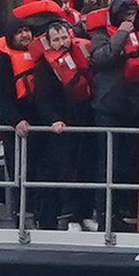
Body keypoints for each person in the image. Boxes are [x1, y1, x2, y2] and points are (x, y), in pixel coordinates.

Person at [89, 0, 139, 229]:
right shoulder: (100, 35)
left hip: (135, 107)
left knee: (129, 163)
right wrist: (122, 32)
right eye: (126, 15)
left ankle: (126, 210)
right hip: (109, 107)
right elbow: (101, 58)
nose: (130, 19)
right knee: (108, 164)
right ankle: (105, 215)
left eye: (133, 15)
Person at [32, 20, 96, 230]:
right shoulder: (44, 66)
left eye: (64, 37)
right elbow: (43, 98)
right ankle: (69, 216)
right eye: (56, 39)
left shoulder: (81, 56)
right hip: (61, 125)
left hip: (84, 119)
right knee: (66, 171)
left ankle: (84, 213)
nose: (62, 42)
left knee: (87, 168)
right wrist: (53, 119)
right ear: (49, 43)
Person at [0, 15, 40, 223]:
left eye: (27, 30)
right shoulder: (3, 62)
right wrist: (16, 121)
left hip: (37, 122)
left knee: (39, 169)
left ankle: (38, 211)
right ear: (11, 36)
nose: (25, 35)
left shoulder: (36, 56)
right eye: (19, 32)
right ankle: (19, 213)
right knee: (18, 170)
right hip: (15, 125)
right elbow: (2, 98)